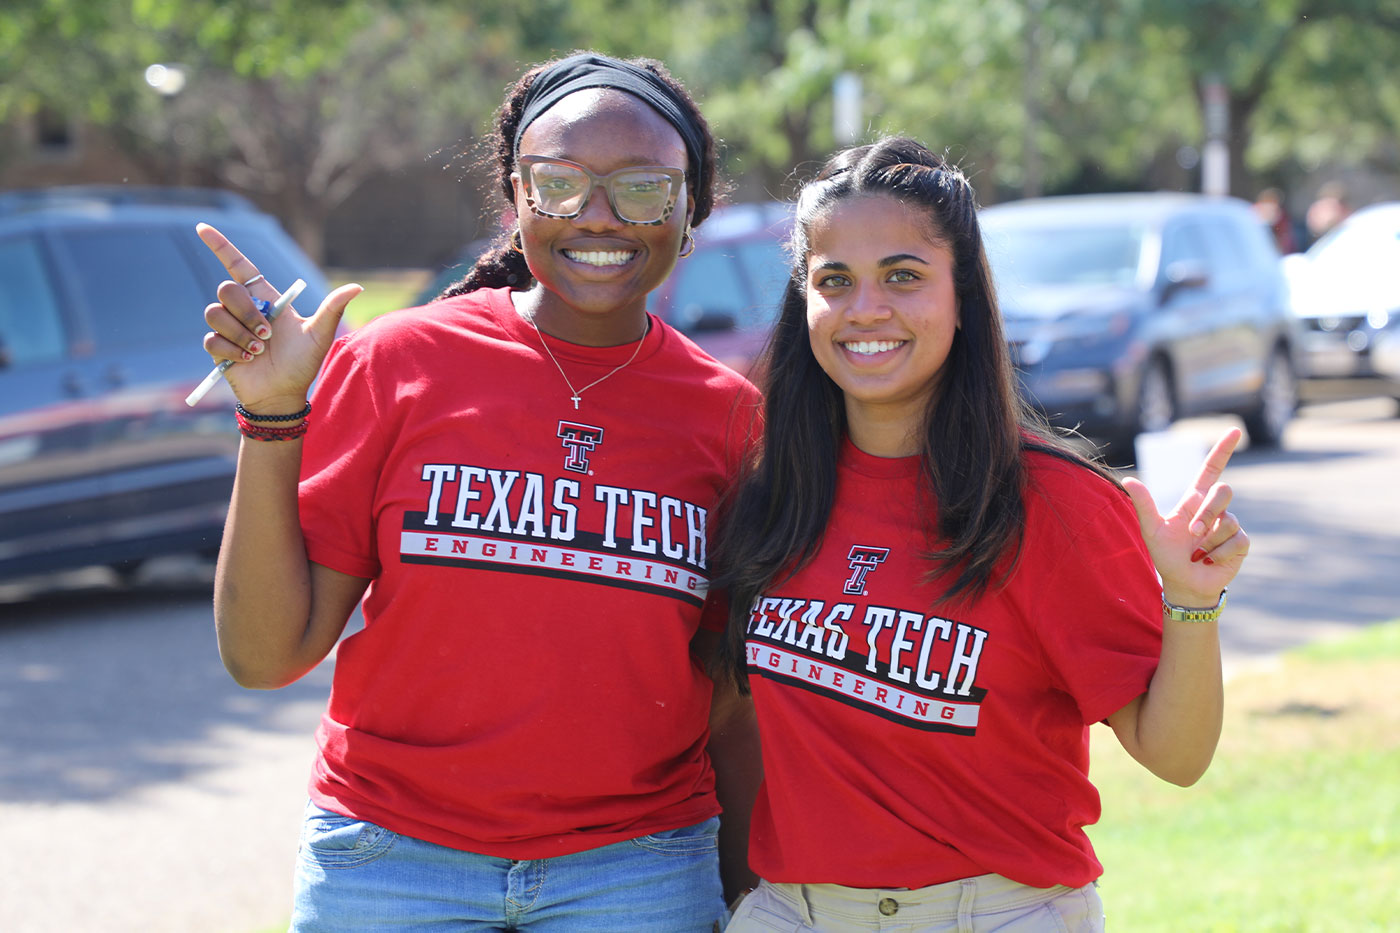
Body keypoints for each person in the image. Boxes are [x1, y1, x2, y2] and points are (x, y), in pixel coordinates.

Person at [195, 51, 761, 932]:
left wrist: (739, 892)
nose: (599, 216)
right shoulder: (401, 363)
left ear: (693, 211)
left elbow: (731, 698)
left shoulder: (730, 422)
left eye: (645, 189)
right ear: (516, 197)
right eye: (559, 183)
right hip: (392, 861)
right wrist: (272, 419)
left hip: (636, 871)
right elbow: (263, 657)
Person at [713, 137, 1248, 932]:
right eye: (835, 280)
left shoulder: (1053, 502)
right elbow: (730, 722)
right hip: (794, 912)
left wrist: (1192, 603)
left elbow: (1175, 756)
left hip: (993, 913)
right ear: (804, 299)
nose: (866, 309)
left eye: (903, 276)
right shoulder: (770, 492)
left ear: (963, 293)